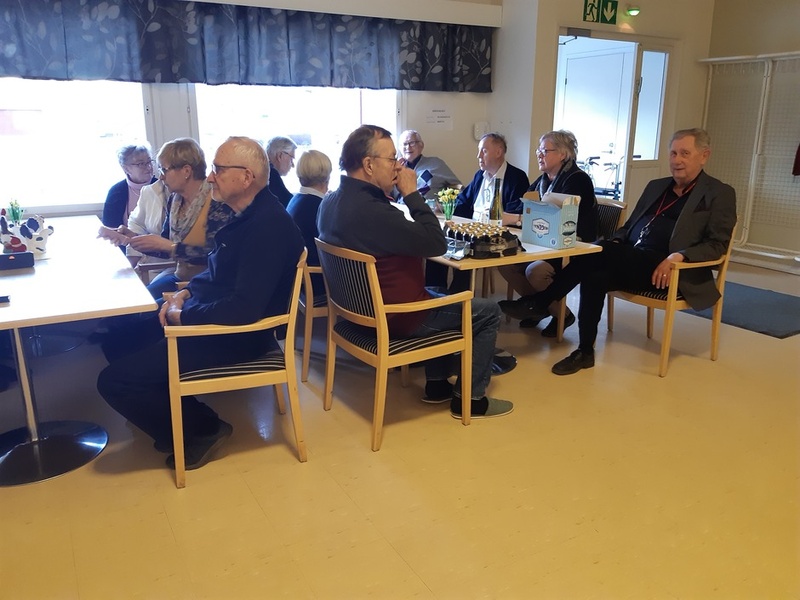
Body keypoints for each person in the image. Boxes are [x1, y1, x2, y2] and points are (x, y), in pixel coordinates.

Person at [97, 136, 305, 470]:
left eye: (218, 170)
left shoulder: (267, 227)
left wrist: (183, 315)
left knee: (112, 381)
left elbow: (244, 309)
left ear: (246, 177)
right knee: (117, 341)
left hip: (237, 337)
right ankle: (176, 416)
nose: (210, 177)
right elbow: (216, 271)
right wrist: (186, 293)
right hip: (215, 317)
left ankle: (205, 429)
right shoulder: (243, 215)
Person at [499, 128, 737, 375]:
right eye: (673, 153)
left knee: (595, 254)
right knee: (595, 272)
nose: (677, 160)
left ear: (704, 156)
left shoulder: (719, 193)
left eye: (685, 153)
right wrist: (614, 242)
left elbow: (717, 245)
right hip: (634, 259)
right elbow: (628, 227)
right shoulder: (657, 187)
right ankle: (585, 352)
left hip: (670, 271)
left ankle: (541, 302)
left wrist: (680, 255)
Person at [317, 124, 513, 419]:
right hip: (400, 316)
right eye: (391, 159)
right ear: (368, 165)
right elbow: (436, 243)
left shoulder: (331, 202)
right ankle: (471, 400)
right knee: (488, 311)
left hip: (357, 312)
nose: (399, 166)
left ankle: (437, 385)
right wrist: (411, 193)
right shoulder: (375, 213)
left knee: (442, 292)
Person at [498, 130, 598, 336]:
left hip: (572, 246)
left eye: (545, 151)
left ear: (563, 154)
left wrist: (518, 218)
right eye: (539, 150)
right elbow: (519, 204)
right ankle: (540, 308)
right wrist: (515, 214)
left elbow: (559, 217)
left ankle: (562, 315)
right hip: (543, 241)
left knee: (535, 271)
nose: (539, 155)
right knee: (504, 262)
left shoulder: (578, 180)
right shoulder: (544, 180)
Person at [128, 138, 235, 299]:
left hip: (207, 283)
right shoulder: (175, 200)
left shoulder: (216, 200)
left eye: (164, 170)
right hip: (180, 277)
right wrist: (132, 238)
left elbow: (214, 253)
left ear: (186, 171)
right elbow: (164, 247)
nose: (160, 177)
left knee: (145, 310)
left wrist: (171, 247)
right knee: (137, 303)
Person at [426, 131, 530, 292]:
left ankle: (457, 300)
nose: (478, 156)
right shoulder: (480, 176)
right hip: (473, 229)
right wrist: (444, 206)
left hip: (495, 235)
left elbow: (514, 212)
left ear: (498, 152)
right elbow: (464, 202)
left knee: (466, 250)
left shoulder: (516, 177)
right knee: (437, 245)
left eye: (484, 151)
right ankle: (435, 293)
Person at [286, 149, 332, 297]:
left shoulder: (295, 200)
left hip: (299, 281)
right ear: (326, 175)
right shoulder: (320, 207)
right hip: (318, 282)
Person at [102, 143, 157, 228]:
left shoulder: (163, 187)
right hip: (123, 236)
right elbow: (110, 227)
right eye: (141, 164)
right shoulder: (116, 191)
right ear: (126, 168)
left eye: (149, 162)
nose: (149, 167)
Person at [398, 129, 461, 198]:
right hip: (400, 204)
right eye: (405, 144)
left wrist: (445, 202)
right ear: (400, 148)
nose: (408, 147)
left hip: (428, 204)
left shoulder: (435, 164)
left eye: (412, 143)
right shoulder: (396, 169)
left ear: (421, 145)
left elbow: (459, 188)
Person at [266, 136, 297, 207]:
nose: (293, 165)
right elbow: (289, 204)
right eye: (291, 159)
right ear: (280, 156)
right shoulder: (272, 176)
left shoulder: (266, 173)